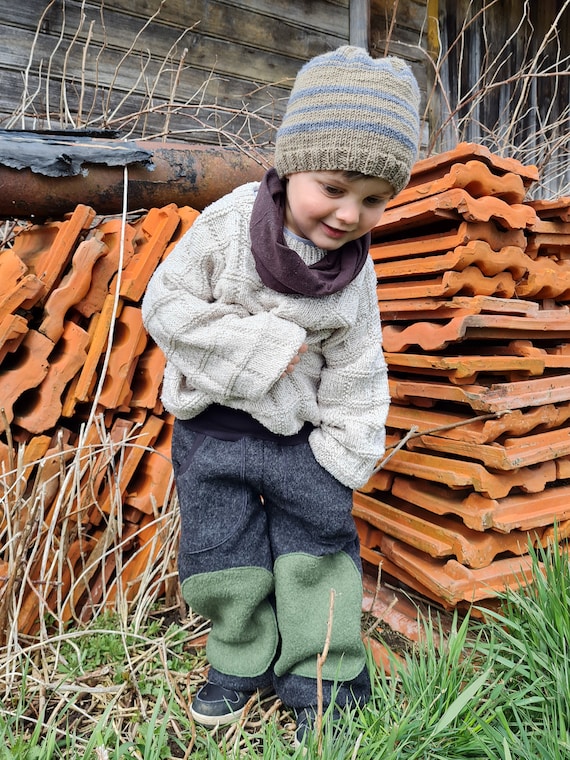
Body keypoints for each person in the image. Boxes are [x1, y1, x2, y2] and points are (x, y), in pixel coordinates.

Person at [141, 45, 420, 744]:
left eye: (375, 200)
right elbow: (166, 307)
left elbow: (360, 359)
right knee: (220, 558)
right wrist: (259, 348)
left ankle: (323, 680)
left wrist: (348, 447)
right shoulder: (229, 226)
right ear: (292, 161)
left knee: (318, 559)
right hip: (215, 434)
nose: (350, 213)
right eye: (334, 186)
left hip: (303, 442)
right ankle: (240, 660)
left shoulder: (357, 274)